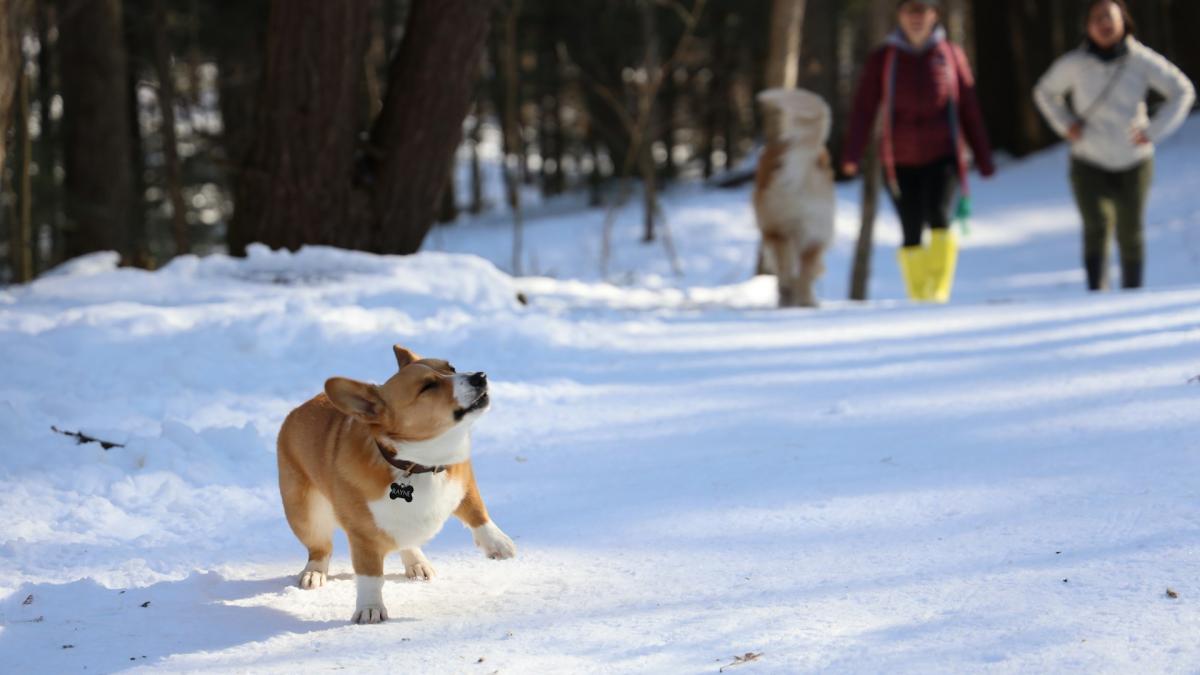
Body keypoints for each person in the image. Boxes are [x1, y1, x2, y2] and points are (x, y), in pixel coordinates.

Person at [1034, 0, 1195, 291]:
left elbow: (1183, 91)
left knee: (1130, 229)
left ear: (1124, 21)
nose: (1104, 24)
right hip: (1088, 159)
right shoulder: (1075, 63)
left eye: (1109, 17)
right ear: (1087, 26)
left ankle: (1132, 294)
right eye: (1097, 18)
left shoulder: (1141, 60)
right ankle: (1097, 292)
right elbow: (1044, 92)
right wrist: (1065, 123)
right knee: (1095, 225)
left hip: (1134, 159)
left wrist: (1154, 130)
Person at [842, 0, 994, 303]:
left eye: (922, 10)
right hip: (898, 159)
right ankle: (919, 297)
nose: (916, 17)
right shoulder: (884, 58)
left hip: (944, 154)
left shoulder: (950, 55)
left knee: (939, 215)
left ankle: (937, 293)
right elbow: (864, 108)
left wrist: (983, 155)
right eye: (910, 10)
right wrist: (852, 154)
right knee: (910, 227)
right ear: (899, 15)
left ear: (934, 15)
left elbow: (968, 107)